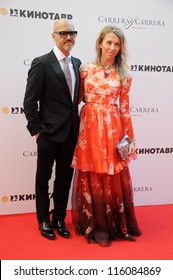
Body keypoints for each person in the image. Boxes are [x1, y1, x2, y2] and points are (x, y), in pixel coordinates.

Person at [71, 25, 142, 247]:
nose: (112, 48)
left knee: (111, 173)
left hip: (112, 127)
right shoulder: (85, 69)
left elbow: (125, 108)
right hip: (89, 127)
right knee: (92, 170)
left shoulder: (124, 74)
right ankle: (96, 224)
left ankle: (112, 224)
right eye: (109, 42)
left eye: (117, 44)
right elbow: (77, 98)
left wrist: (131, 137)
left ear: (121, 48)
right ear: (100, 43)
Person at [23, 19, 81, 240]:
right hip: (48, 133)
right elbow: (30, 101)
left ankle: (59, 218)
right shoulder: (42, 63)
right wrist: (37, 129)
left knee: (64, 179)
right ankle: (43, 220)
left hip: (71, 133)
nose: (69, 37)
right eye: (64, 33)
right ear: (54, 36)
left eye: (72, 33)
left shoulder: (77, 63)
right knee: (43, 178)